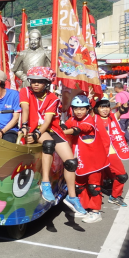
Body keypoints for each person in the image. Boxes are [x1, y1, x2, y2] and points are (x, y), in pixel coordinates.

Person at [19, 67, 86, 216]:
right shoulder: (25, 92)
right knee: (48, 144)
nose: (35, 84)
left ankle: (72, 197)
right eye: (33, 81)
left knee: (71, 162)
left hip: (49, 129)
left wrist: (37, 133)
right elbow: (25, 109)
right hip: (32, 127)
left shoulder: (53, 98)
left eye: (40, 82)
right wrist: (24, 126)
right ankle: (45, 183)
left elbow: (48, 120)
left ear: (47, 83)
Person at [63, 95, 110, 224]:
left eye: (82, 109)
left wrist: (63, 131)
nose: (79, 111)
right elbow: (66, 126)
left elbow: (82, 129)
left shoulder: (90, 120)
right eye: (76, 108)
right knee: (79, 185)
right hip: (80, 159)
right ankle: (82, 208)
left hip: (94, 160)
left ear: (88, 109)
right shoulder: (72, 119)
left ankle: (96, 212)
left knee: (94, 186)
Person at [93, 98, 129, 207]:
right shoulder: (93, 118)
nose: (105, 109)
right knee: (95, 179)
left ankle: (114, 196)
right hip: (98, 152)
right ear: (97, 109)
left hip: (111, 152)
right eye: (102, 107)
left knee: (122, 176)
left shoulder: (112, 117)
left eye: (107, 107)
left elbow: (123, 109)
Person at [113, 82, 129, 149]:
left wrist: (111, 108)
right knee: (124, 129)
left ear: (116, 88)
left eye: (115, 88)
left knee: (122, 130)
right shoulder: (127, 93)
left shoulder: (118, 94)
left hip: (122, 115)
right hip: (128, 114)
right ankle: (128, 143)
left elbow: (119, 104)